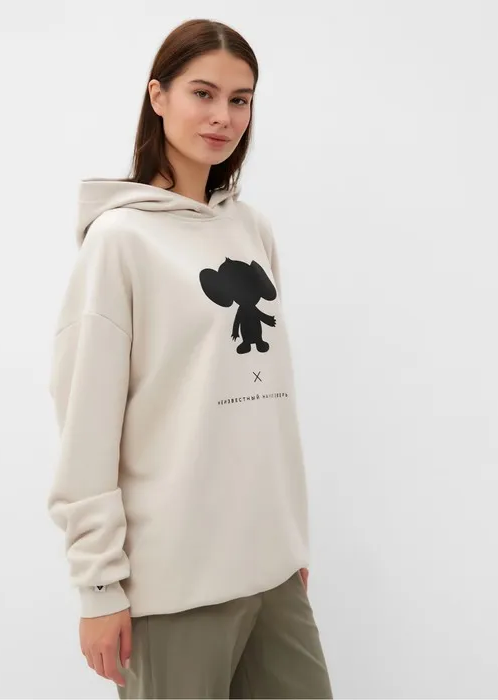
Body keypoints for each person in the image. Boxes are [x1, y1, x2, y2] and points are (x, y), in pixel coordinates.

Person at [46, 17, 334, 700]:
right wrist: (98, 587)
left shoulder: (251, 228)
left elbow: (271, 406)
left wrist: (289, 542)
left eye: (240, 99)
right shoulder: (120, 242)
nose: (222, 116)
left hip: (271, 574)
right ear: (158, 96)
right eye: (203, 93)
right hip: (175, 587)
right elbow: (86, 424)